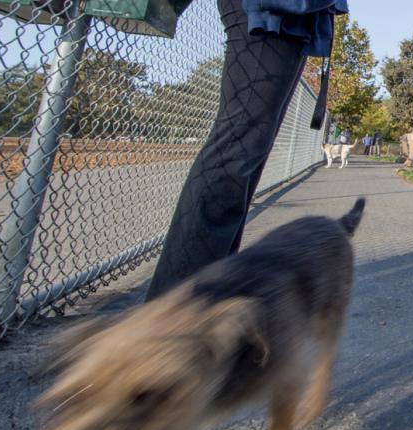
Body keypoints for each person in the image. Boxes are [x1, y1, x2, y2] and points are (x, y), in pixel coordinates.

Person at [145, 0, 348, 301]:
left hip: (294, 13)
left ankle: (209, 298)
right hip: (275, 9)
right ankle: (174, 310)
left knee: (246, 156)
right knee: (236, 152)